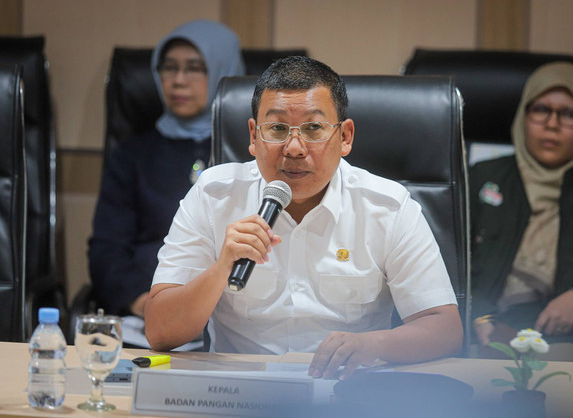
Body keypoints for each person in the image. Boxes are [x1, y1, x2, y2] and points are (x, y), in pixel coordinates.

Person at [145, 56, 463, 380]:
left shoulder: (388, 208)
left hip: (345, 392)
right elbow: (160, 331)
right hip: (239, 395)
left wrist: (373, 345)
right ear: (254, 136)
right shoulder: (214, 196)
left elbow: (443, 327)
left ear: (345, 137)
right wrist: (220, 269)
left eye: (313, 128)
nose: (294, 148)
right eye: (278, 128)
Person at [469, 62, 573, 361]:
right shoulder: (483, 177)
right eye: (540, 110)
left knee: (557, 392)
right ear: (524, 114)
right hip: (484, 323)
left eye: (569, 114)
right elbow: (449, 262)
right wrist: (477, 315)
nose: (552, 124)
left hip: (568, 333)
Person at [89, 20, 245, 317]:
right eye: (169, 67)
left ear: (224, 71)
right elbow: (107, 248)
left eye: (195, 68)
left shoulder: (251, 153)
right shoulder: (132, 154)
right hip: (149, 313)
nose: (178, 80)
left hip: (234, 317)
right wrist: (141, 303)